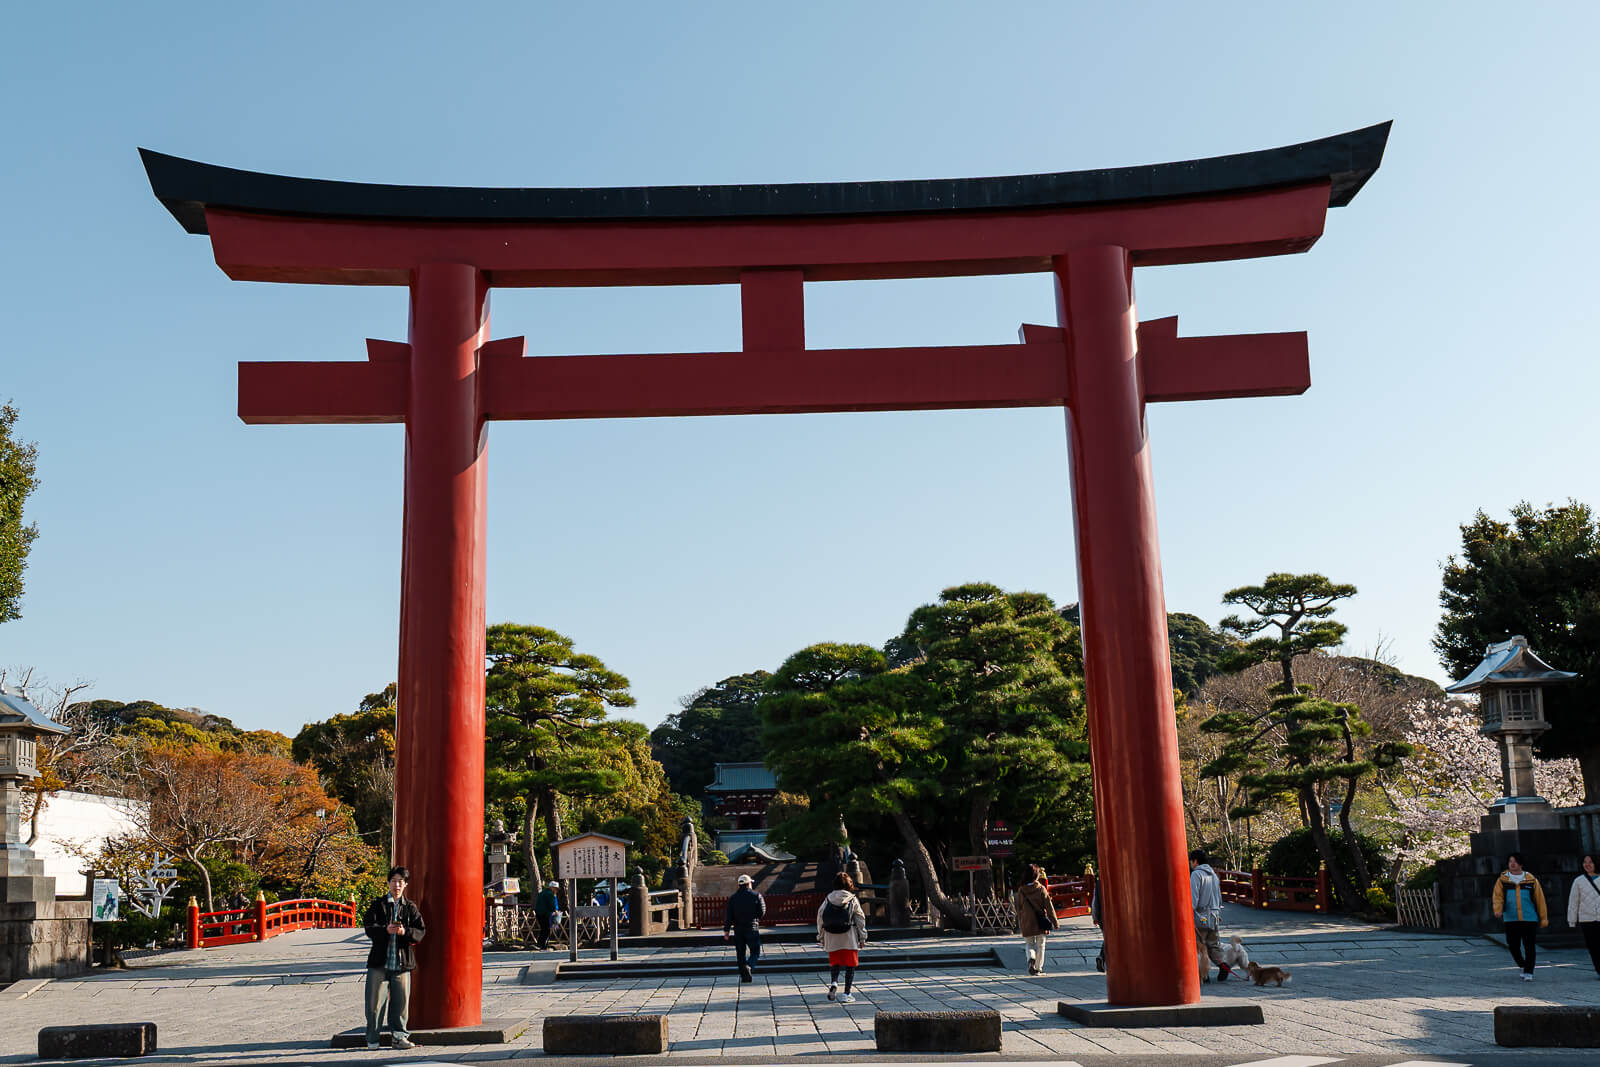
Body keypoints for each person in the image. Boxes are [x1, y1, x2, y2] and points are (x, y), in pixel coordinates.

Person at [362, 866, 425, 1050]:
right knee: (374, 1004)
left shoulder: (410, 907)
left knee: (401, 1003)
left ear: (405, 884)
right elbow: (368, 927)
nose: (397, 885)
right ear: (388, 882)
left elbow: (421, 931)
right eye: (394, 881)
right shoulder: (378, 904)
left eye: (401, 881)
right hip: (379, 962)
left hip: (402, 963)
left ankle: (399, 1037)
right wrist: (384, 931)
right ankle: (373, 1039)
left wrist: (405, 932)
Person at [1493, 852, 1548, 981]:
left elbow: (1540, 900)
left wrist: (1543, 917)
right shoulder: (1503, 880)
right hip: (1511, 918)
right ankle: (1522, 964)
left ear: (1521, 864)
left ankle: (1529, 971)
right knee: (1513, 945)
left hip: (1529, 918)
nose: (1512, 864)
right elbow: (1497, 897)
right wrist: (1498, 909)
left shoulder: (1531, 879)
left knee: (1529, 945)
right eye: (1510, 861)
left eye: (1515, 861)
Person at [817, 871, 868, 1003]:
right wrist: (862, 937)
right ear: (849, 885)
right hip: (848, 935)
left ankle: (834, 982)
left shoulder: (828, 898)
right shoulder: (852, 899)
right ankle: (847, 993)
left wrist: (821, 936)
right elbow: (860, 918)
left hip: (831, 936)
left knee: (835, 963)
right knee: (850, 966)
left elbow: (820, 917)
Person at [1188, 849, 1231, 983]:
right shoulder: (1213, 874)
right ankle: (1223, 965)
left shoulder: (1196, 875)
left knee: (1200, 946)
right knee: (1213, 944)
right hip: (1214, 914)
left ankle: (1203, 975)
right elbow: (1219, 897)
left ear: (1195, 861)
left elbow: (1193, 898)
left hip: (1202, 915)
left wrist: (1190, 910)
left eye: (1191, 862)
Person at [1015, 864, 1059, 976]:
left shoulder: (1021, 890)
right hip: (1040, 921)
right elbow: (1049, 907)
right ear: (1036, 875)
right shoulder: (1040, 889)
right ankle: (1038, 968)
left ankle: (1031, 959)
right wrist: (1055, 922)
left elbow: (1018, 907)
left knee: (1029, 944)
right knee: (1041, 945)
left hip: (1026, 921)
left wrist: (1020, 921)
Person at [723, 873, 766, 982]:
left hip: (738, 929)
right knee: (755, 951)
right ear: (748, 884)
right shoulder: (757, 895)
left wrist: (726, 930)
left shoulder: (733, 898)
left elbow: (729, 915)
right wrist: (756, 919)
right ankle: (749, 965)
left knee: (740, 953)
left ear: (739, 885)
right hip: (752, 927)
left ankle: (744, 976)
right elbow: (762, 911)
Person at [1568, 855, 1600, 979]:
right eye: (1585, 862)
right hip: (1587, 919)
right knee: (1593, 946)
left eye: (1590, 862)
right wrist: (1572, 920)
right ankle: (1599, 969)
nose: (1587, 864)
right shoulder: (1579, 881)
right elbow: (1573, 902)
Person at [534, 880, 561, 950]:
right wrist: (555, 911)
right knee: (546, 930)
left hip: (538, 914)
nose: (556, 890)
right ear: (552, 888)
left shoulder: (542, 893)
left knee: (543, 929)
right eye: (556, 888)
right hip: (546, 914)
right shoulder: (550, 894)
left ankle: (539, 944)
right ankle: (543, 945)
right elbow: (552, 905)